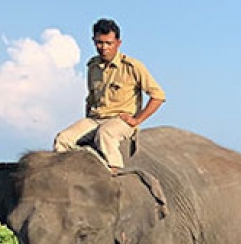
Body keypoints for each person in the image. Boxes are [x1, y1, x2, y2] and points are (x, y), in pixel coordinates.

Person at [53, 18, 165, 170]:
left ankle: (115, 173)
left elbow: (158, 96)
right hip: (95, 119)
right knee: (62, 139)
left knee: (105, 135)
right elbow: (90, 98)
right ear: (93, 40)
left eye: (108, 43)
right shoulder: (93, 66)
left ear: (118, 43)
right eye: (99, 42)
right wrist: (85, 124)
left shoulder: (132, 67)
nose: (103, 47)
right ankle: (63, 175)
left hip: (120, 120)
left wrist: (136, 120)